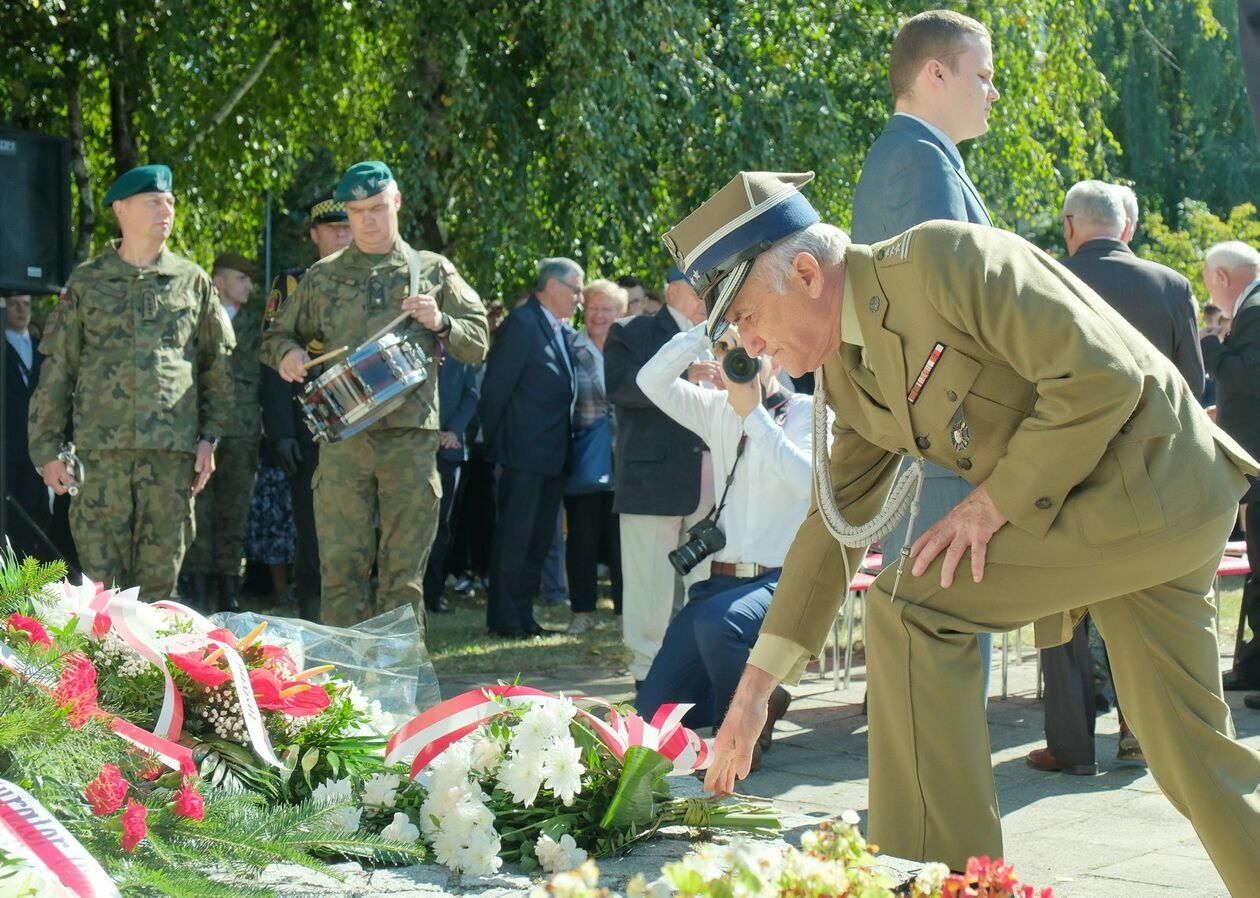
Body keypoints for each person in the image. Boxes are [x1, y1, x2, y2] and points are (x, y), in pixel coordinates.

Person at [669, 170, 1260, 894]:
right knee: (1194, 758)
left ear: (805, 273)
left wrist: (990, 504)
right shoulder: (848, 372)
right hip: (1152, 507)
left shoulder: (943, 264)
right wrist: (754, 694)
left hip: (1149, 481)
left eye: (749, 318)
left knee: (912, 605)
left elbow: (1102, 376)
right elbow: (835, 527)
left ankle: (942, 882)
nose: (749, 347)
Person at [1024, 180, 1206, 775]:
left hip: (1066, 471)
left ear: (1070, 225)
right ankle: (1139, 733)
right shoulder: (1172, 286)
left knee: (1060, 612)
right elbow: (1193, 388)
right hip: (1152, 475)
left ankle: (1072, 747)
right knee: (1143, 603)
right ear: (1124, 228)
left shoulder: (1047, 281)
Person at [263, 161, 488, 627]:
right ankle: (343, 689)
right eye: (357, 210)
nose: (367, 220)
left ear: (397, 202)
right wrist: (287, 355)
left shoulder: (432, 270)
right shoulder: (323, 276)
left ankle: (400, 687)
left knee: (403, 578)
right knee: (341, 573)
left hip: (409, 441)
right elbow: (275, 335)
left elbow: (479, 339)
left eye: (377, 208)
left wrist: (441, 322)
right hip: (344, 442)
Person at [850, 7, 1000, 701]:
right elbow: (944, 313)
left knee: (947, 662)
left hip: (944, 444)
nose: (993, 91)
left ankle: (937, 805)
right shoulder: (917, 159)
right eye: (984, 74)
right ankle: (938, 809)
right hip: (949, 446)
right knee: (948, 658)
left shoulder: (923, 156)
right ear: (936, 73)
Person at [29, 165, 234, 600]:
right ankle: (105, 670)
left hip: (171, 457)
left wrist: (209, 439)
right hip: (100, 457)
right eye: (153, 201)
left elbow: (216, 367)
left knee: (159, 591)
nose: (167, 209)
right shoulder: (88, 281)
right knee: (101, 590)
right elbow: (57, 368)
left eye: (171, 201)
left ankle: (155, 669)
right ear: (121, 209)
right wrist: (46, 450)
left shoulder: (192, 281)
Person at [634, 324, 812, 771]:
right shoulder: (716, 408)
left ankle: (745, 720)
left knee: (720, 626)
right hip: (719, 582)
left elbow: (807, 482)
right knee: (649, 719)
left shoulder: (809, 411)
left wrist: (755, 413)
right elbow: (649, 381)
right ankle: (763, 697)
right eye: (735, 349)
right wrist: (708, 329)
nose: (745, 357)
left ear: (775, 354)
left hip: (780, 581)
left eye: (755, 347)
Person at [605, 267, 714, 685]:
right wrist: (684, 376)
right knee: (649, 588)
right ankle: (646, 676)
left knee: (705, 584)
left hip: (714, 484)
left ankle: (697, 671)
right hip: (652, 484)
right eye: (699, 286)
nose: (708, 294)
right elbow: (620, 387)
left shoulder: (724, 331)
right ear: (672, 291)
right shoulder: (633, 331)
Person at [258, 193, 353, 620]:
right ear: (315, 235)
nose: (343, 234)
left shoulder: (370, 285)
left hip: (359, 416)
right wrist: (281, 431)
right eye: (333, 228)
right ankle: (314, 610)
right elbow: (272, 357)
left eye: (348, 226)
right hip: (309, 420)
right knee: (313, 526)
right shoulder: (292, 284)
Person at [478, 258, 583, 637]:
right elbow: (494, 392)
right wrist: (497, 446)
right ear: (552, 287)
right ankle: (504, 618)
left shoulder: (555, 328)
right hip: (521, 456)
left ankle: (523, 615)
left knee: (538, 541)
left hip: (551, 456)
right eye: (575, 289)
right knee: (515, 538)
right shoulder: (522, 324)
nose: (579, 298)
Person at [180, 252, 262, 611]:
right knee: (200, 505)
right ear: (220, 283)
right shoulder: (196, 322)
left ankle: (228, 588)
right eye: (241, 279)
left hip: (243, 429)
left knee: (234, 508)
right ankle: (197, 585)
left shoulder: (258, 326)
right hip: (202, 427)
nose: (249, 286)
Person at [1201, 241, 1260, 700]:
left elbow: (1249, 376)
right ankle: (1253, 665)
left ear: (1221, 277)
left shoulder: (1255, 308)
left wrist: (1211, 349)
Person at [563, 279, 627, 635]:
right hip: (585, 454)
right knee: (582, 538)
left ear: (620, 313)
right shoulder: (570, 346)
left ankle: (623, 612)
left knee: (622, 539)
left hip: (626, 457)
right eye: (593, 307)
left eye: (607, 308)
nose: (599, 315)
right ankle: (582, 611)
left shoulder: (628, 347)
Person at [421, 351, 479, 614]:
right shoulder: (411, 341)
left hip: (449, 448)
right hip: (411, 447)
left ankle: (433, 593)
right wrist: (428, 435)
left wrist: (453, 430)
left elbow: (471, 395)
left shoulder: (460, 349)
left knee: (441, 526)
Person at [3, 292, 50, 562]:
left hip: (35, 450)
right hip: (7, 449)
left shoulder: (40, 347)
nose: (22, 311)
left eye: (27, 305)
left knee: (32, 516)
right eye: (15, 305)